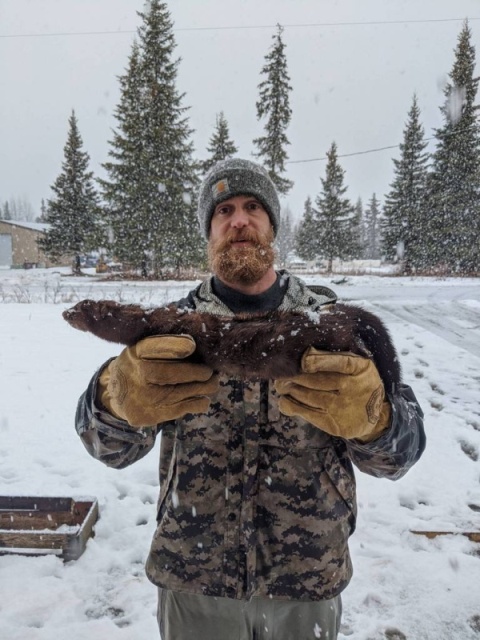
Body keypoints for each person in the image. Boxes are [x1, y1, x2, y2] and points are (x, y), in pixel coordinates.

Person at [75, 158, 425, 640]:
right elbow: (106, 448)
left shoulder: (330, 326)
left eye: (253, 207)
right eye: (224, 211)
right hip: (195, 582)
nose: (239, 220)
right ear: (209, 232)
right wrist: (115, 398)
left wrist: (375, 419)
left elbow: (399, 458)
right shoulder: (170, 330)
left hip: (307, 579)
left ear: (271, 226)